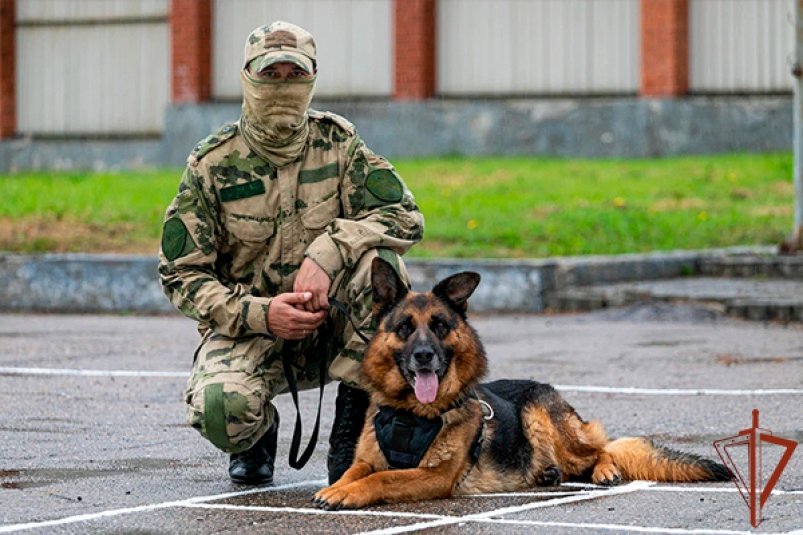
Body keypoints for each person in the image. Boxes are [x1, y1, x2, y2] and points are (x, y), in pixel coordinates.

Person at [158, 21, 424, 486]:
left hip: (333, 327)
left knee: (380, 262)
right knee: (222, 408)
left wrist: (330, 250)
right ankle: (255, 435)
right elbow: (181, 275)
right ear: (247, 78)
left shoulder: (338, 146)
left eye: (294, 75)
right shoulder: (212, 165)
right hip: (252, 331)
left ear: (312, 79)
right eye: (271, 75)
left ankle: (352, 430)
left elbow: (404, 215)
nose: (283, 87)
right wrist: (262, 313)